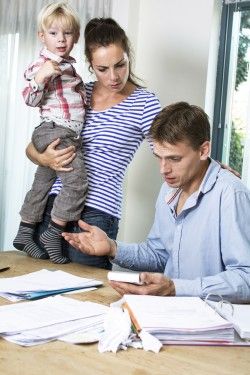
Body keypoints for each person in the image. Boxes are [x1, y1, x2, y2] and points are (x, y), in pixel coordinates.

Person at [62, 102, 250, 303]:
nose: (163, 169)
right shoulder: (169, 189)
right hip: (170, 313)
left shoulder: (231, 194)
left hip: (215, 321)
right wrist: (112, 247)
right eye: (158, 158)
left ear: (203, 150)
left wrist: (174, 288)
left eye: (174, 159)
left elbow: (245, 279)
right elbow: (159, 254)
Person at [25, 17, 161, 269]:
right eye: (102, 69)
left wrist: (209, 165)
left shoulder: (144, 103)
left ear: (128, 56)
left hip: (96, 214)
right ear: (90, 65)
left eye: (120, 65)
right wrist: (44, 158)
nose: (113, 76)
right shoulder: (77, 93)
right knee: (37, 295)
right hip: (52, 207)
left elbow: (170, 150)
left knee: (87, 298)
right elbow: (34, 145)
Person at [13, 2, 88, 264]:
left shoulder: (68, 67)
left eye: (67, 33)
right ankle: (53, 233)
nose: (61, 39)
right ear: (42, 36)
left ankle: (25, 232)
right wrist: (41, 77)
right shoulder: (44, 64)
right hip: (56, 131)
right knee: (77, 182)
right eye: (54, 33)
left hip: (58, 131)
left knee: (42, 182)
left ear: (76, 37)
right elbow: (30, 99)